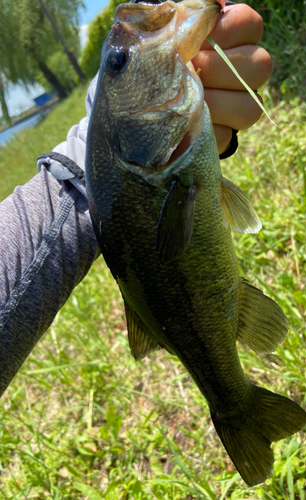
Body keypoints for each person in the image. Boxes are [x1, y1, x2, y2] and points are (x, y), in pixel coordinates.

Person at [0, 3, 271, 396]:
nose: (124, 52)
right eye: (118, 62)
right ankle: (232, 401)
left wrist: (85, 154)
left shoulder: (124, 153)